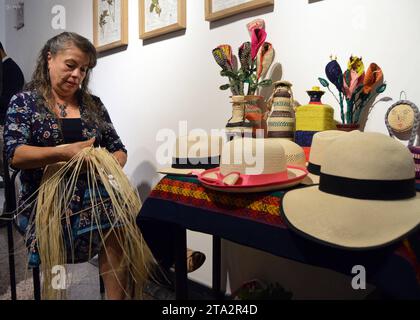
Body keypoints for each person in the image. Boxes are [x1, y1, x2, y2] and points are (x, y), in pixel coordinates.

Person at [3, 32, 129, 299]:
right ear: (50, 59)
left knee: (117, 214)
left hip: (93, 194)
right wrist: (62, 154)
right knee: (115, 219)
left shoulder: (93, 105)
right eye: (71, 65)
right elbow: (15, 154)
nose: (77, 75)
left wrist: (105, 162)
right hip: (44, 198)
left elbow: (119, 149)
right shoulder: (25, 103)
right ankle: (160, 253)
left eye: (84, 70)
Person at [0, 41, 25, 228]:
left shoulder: (10, 69)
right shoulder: (8, 68)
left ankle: (10, 211)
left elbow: (8, 102)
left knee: (8, 172)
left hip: (4, 127)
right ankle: (9, 210)